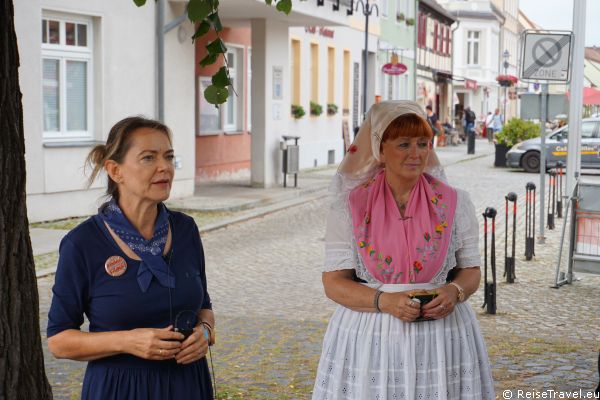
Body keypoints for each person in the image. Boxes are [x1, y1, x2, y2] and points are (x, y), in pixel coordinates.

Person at [312, 101, 495, 399]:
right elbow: (333, 283)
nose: (416, 153)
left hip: (442, 339)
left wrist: (454, 291)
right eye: (404, 144)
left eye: (423, 143)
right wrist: (385, 301)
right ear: (381, 151)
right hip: (371, 339)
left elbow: (471, 271)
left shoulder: (455, 202)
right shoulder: (349, 207)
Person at [47, 117, 215, 400]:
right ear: (115, 170)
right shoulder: (82, 244)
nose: (165, 167)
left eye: (169, 156)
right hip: (120, 388)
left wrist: (206, 333)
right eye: (148, 158)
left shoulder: (186, 230)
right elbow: (59, 341)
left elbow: (204, 307)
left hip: (188, 385)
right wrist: (128, 341)